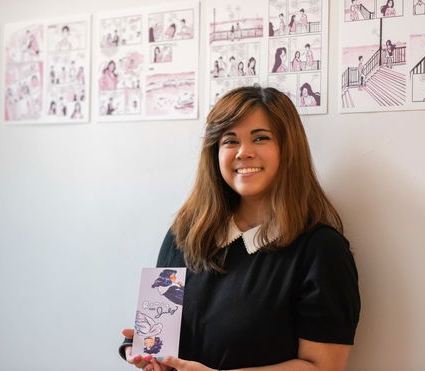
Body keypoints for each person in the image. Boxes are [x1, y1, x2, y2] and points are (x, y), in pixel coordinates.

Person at [119, 86, 360, 371]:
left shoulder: (322, 250)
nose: (244, 152)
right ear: (214, 153)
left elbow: (323, 367)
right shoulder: (183, 234)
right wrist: (148, 351)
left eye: (260, 138)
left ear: (288, 147)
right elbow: (159, 334)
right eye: (230, 141)